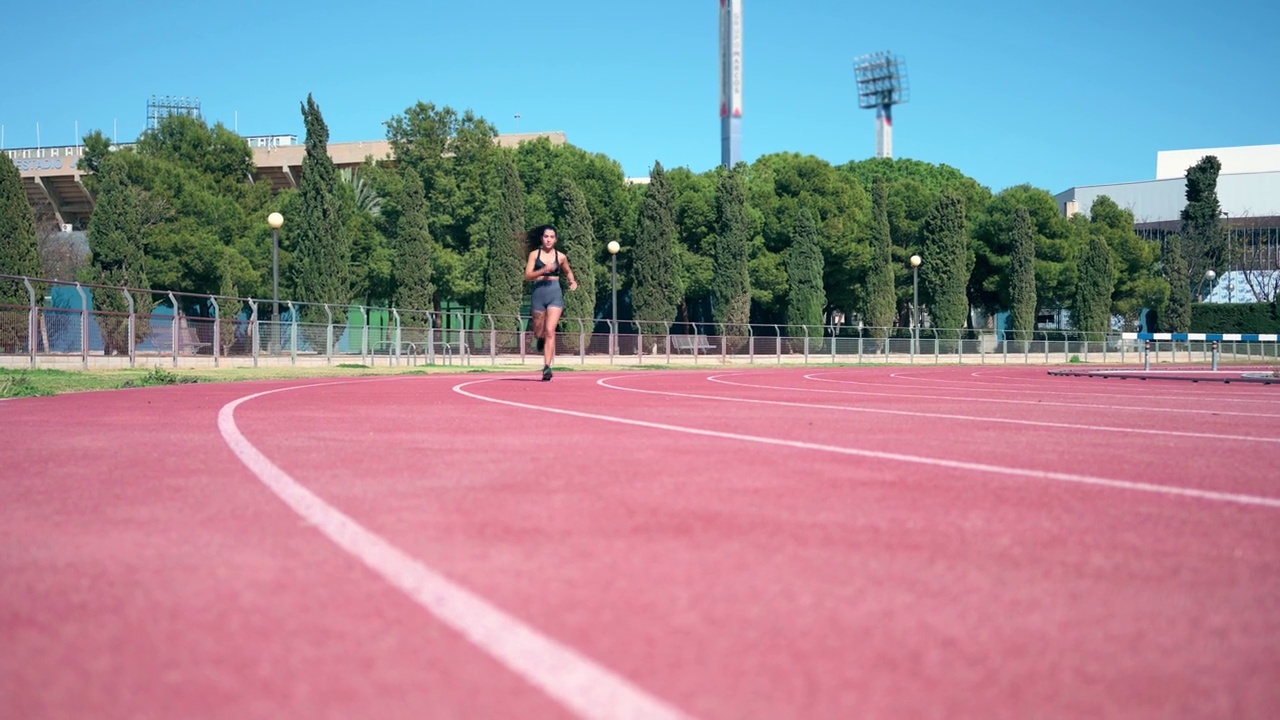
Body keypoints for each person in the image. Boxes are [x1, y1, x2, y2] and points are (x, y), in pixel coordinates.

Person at [524, 225, 578, 381]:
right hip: (538, 293)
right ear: (542, 238)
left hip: (555, 294)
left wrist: (572, 281)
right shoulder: (535, 255)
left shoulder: (561, 257)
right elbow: (528, 275)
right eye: (546, 236)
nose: (548, 239)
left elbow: (568, 271)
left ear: (555, 239)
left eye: (551, 237)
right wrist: (544, 270)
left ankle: (547, 367)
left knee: (550, 330)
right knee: (539, 331)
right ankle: (539, 338)